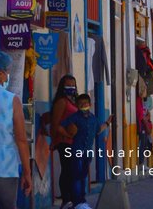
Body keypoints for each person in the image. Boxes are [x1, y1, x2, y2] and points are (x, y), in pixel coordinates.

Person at [61, 94, 112, 209]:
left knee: (83, 176)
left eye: (85, 103)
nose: (83, 105)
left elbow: (98, 130)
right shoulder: (75, 117)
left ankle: (81, 201)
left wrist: (107, 123)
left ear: (90, 104)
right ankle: (78, 202)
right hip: (76, 152)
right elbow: (62, 126)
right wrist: (66, 135)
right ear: (77, 106)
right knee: (76, 177)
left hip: (88, 153)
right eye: (80, 104)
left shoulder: (93, 118)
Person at [0, 51, 32, 209]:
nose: (8, 75)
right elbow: (21, 140)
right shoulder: (12, 101)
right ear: (0, 74)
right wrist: (27, 172)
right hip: (5, 168)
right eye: (7, 72)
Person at [51, 74, 79, 208]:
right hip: (64, 141)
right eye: (68, 85)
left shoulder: (73, 102)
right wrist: (67, 134)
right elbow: (56, 124)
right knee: (67, 169)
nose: (71, 88)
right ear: (63, 87)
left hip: (73, 142)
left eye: (73, 85)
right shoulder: (61, 102)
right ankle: (66, 198)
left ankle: (72, 198)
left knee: (73, 170)